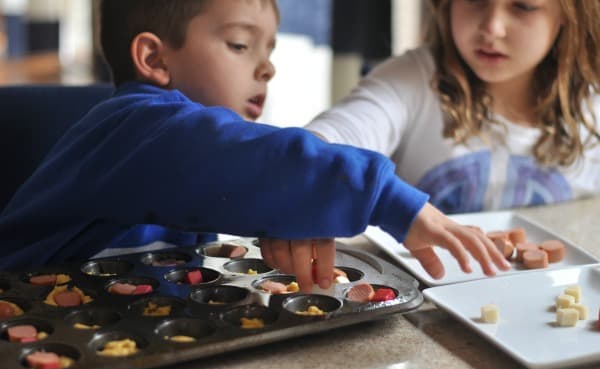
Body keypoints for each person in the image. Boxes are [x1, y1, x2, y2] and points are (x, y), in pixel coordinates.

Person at [0, 0, 509, 292]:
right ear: (155, 58)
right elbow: (249, 157)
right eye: (241, 45)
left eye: (270, 51)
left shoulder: (177, 152)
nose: (267, 68)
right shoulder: (137, 128)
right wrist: (387, 199)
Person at [306, 0, 600, 215]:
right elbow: (319, 148)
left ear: (569, 11)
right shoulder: (411, 81)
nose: (492, 28)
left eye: (523, 6)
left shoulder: (593, 105)